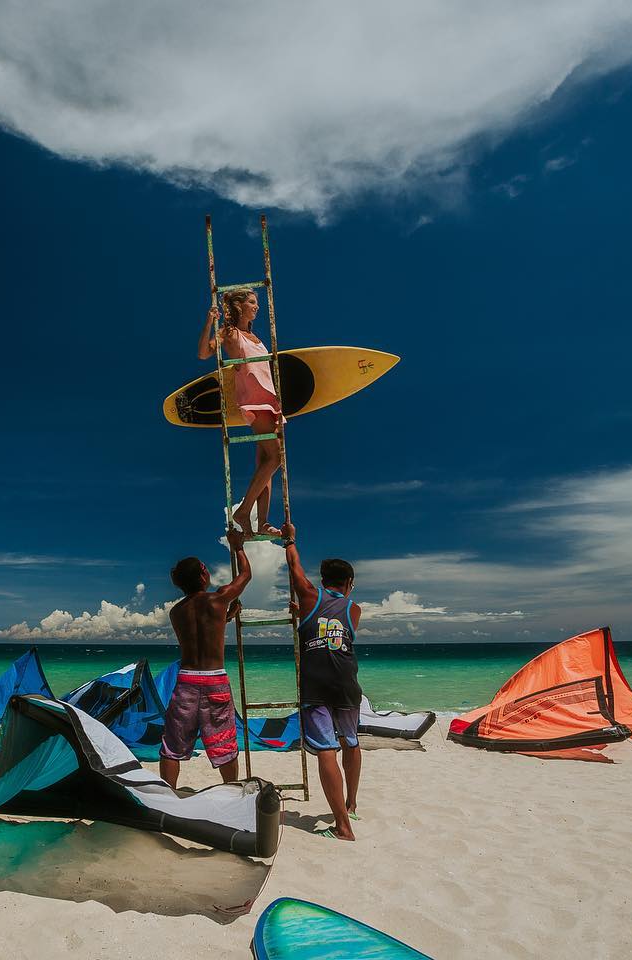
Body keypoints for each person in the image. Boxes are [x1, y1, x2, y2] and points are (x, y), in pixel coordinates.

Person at [281, 521, 362, 841]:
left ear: (323, 580)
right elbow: (329, 622)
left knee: (327, 748)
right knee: (351, 741)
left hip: (316, 684)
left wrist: (290, 539)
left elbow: (294, 567)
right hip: (347, 682)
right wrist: (303, 612)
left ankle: (343, 826)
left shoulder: (309, 595)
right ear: (349, 583)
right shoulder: (355, 610)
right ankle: (351, 804)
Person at [159, 528, 252, 787]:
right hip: (215, 681)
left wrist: (227, 616)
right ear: (203, 574)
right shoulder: (218, 599)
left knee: (172, 745)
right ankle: (230, 790)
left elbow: (198, 631)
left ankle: (168, 794)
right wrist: (238, 546)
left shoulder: (177, 612)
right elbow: (246, 575)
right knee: (224, 743)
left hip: (187, 681)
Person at [198, 289, 282, 539]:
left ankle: (263, 522)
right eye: (252, 302)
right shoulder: (229, 332)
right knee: (275, 457)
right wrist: (209, 322)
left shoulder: (255, 336)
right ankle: (244, 511)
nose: (257, 307)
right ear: (239, 306)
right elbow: (204, 353)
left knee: (265, 463)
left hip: (269, 398)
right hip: (255, 400)